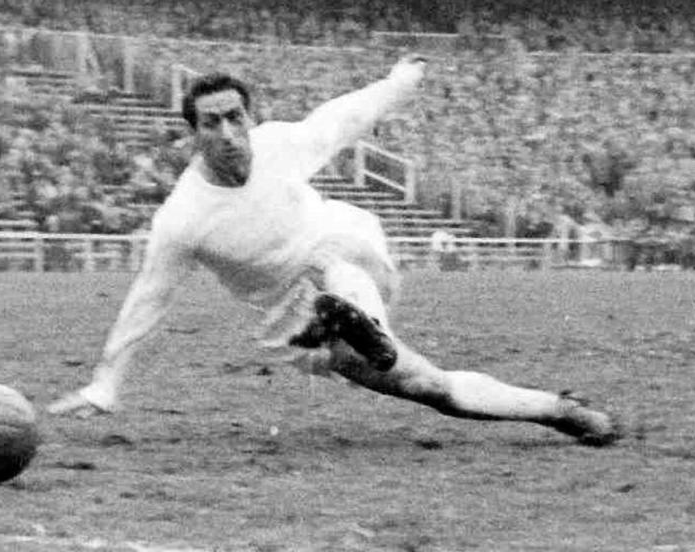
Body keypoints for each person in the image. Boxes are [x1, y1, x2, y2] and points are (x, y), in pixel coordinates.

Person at [49, 55, 621, 446]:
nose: (226, 133)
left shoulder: (280, 146)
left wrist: (399, 82)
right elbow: (147, 300)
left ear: (249, 116)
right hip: (292, 322)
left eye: (234, 117)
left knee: (333, 267)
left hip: (347, 255)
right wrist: (106, 383)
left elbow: (346, 117)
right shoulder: (183, 218)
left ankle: (351, 319)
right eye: (210, 123)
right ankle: (560, 411)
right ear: (192, 134)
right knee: (434, 389)